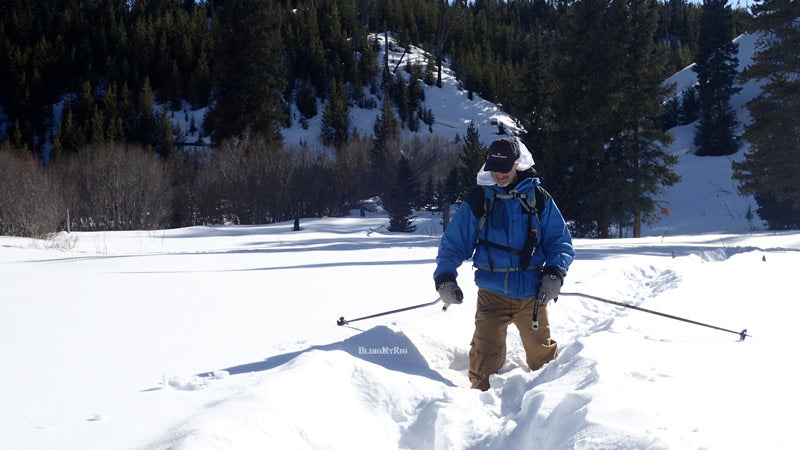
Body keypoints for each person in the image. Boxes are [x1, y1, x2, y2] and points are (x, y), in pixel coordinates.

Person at [434, 137, 574, 391]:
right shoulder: (479, 199)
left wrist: (555, 273)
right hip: (492, 295)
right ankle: (475, 412)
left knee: (543, 361)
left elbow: (560, 242)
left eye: (505, 168)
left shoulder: (538, 198)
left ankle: (549, 412)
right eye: (494, 169)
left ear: (517, 165)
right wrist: (445, 276)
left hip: (532, 295)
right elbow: (454, 242)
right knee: (483, 368)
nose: (499, 175)